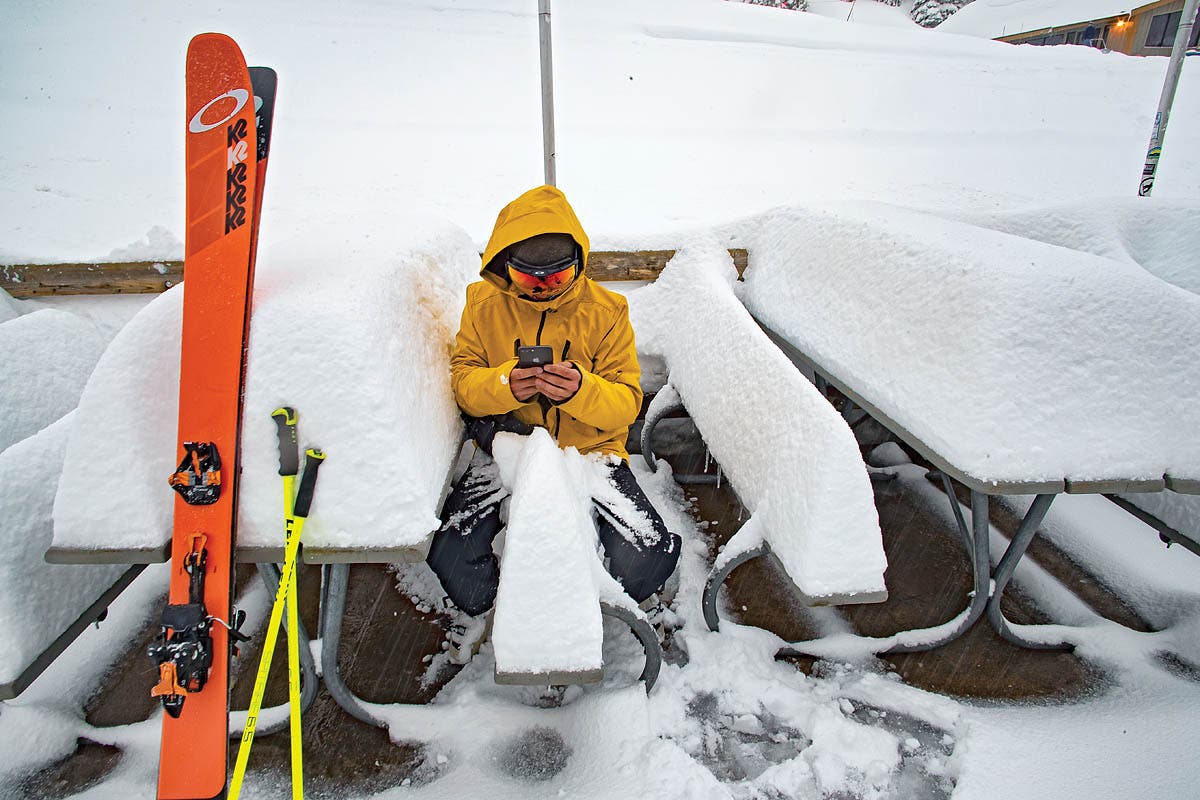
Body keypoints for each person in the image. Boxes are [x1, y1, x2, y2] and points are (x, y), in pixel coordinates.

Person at [426, 185, 681, 662]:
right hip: (508, 448)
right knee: (451, 559)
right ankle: (501, 607)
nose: (543, 287)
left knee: (644, 560)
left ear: (579, 261)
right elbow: (463, 383)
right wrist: (506, 385)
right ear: (505, 265)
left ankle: (607, 574)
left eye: (558, 274)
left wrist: (580, 392)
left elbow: (626, 403)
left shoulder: (607, 312)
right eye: (528, 276)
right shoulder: (483, 306)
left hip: (591, 454)